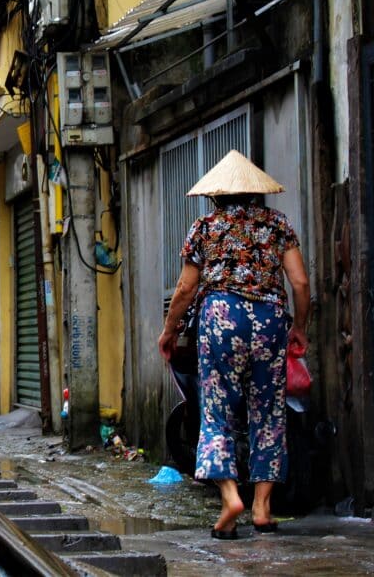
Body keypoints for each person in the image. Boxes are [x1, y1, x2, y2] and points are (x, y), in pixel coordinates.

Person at [157, 150, 310, 540]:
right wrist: (300, 328)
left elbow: (186, 288)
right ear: (256, 193)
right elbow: (300, 284)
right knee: (268, 410)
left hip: (222, 318)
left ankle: (230, 499)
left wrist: (170, 330)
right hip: (270, 320)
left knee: (217, 407)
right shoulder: (277, 224)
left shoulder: (205, 227)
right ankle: (262, 506)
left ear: (216, 195)